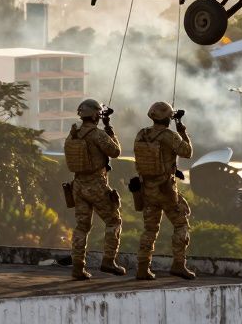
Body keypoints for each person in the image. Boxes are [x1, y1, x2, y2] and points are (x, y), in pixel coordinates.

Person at [63, 98, 124, 280]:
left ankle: (78, 267)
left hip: (78, 185)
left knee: (82, 226)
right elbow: (115, 152)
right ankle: (108, 260)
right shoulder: (97, 134)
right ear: (96, 115)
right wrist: (109, 128)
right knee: (114, 221)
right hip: (96, 185)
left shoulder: (72, 135)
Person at [133, 101, 195, 280]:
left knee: (150, 229)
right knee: (181, 224)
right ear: (168, 118)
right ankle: (178, 264)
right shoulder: (169, 135)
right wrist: (181, 129)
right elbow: (187, 152)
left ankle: (143, 267)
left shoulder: (142, 134)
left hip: (147, 189)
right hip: (166, 190)